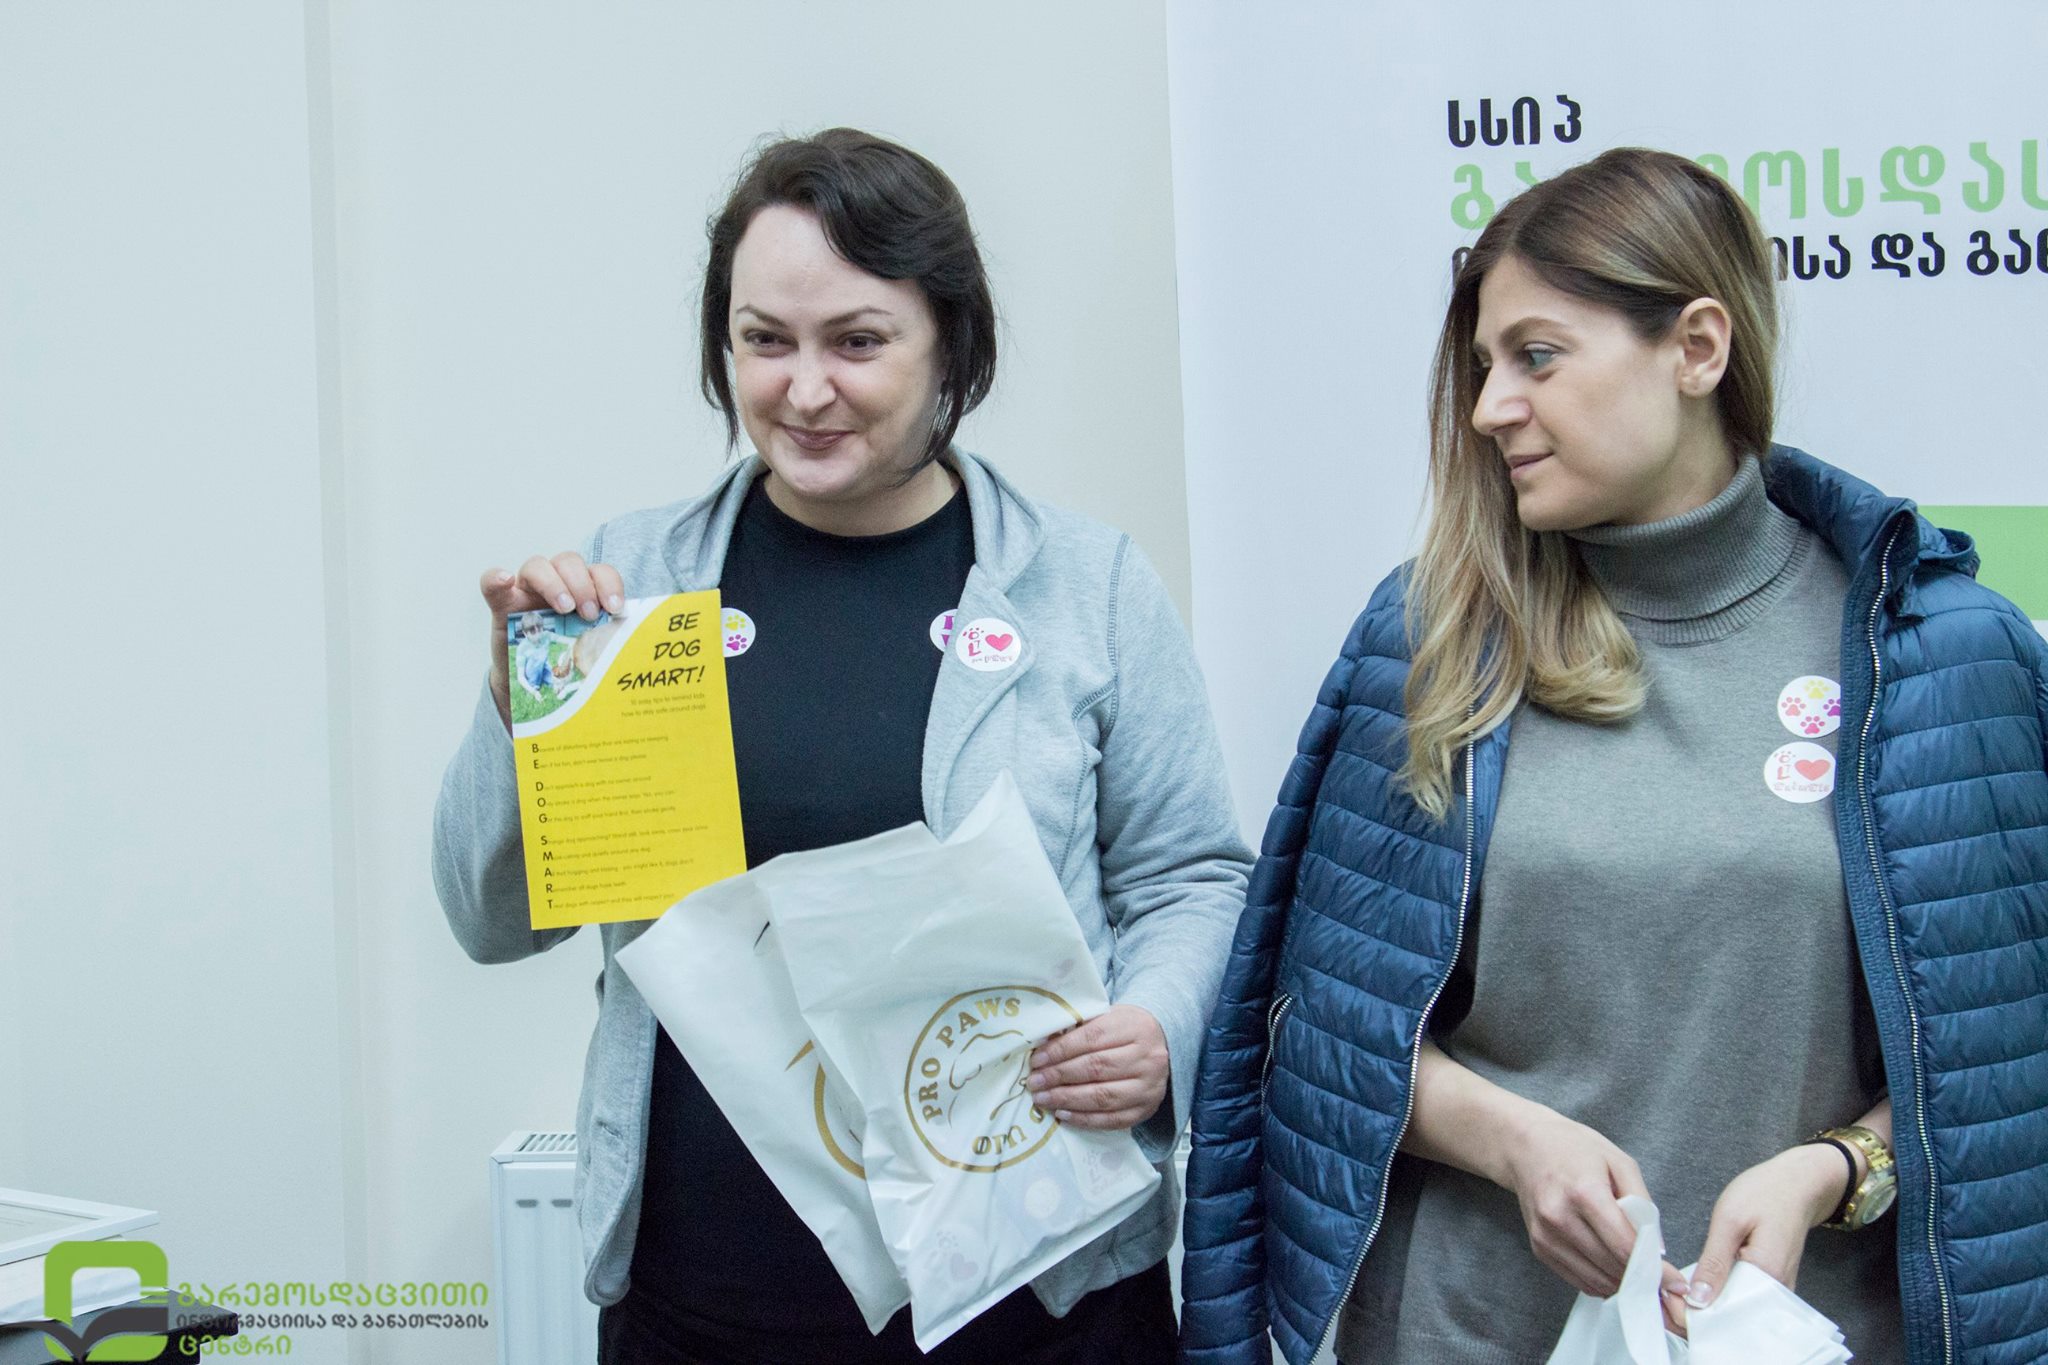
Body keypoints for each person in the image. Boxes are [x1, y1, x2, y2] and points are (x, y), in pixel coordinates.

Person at [1176, 147, 2048, 1365]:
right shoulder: (1430, 635)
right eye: (1482, 367)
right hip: (1466, 1332)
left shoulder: (1936, 653)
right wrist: (1511, 1142)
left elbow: (2006, 1060)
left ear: (1695, 349)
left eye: (1535, 357)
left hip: (1797, 1338)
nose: (1488, 408)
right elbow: (1313, 1033)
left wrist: (1834, 1168)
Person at [431, 128, 1251, 1365]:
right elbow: (493, 921)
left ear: (949, 346)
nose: (804, 391)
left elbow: (1189, 876)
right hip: (705, 1305)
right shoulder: (630, 586)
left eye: (857, 343)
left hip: (1040, 1303)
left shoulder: (1085, 586)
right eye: (765, 340)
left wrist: (1156, 1026)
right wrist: (517, 709)